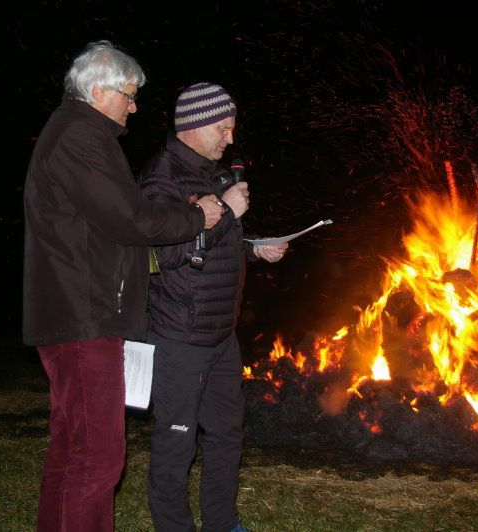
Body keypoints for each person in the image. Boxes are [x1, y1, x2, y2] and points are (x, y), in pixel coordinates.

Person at [23, 42, 226, 531]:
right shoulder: (81, 136)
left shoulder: (72, 132)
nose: (134, 107)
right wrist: (198, 215)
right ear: (99, 91)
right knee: (98, 458)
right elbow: (130, 218)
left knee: (72, 449)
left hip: (75, 312)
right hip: (84, 315)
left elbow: (106, 227)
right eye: (130, 96)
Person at [139, 82, 287, 532]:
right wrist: (225, 211)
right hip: (179, 335)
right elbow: (161, 255)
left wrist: (254, 248)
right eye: (223, 128)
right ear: (195, 124)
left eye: (232, 128)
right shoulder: (160, 177)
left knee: (226, 436)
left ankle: (221, 524)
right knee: (176, 443)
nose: (230, 138)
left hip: (222, 335)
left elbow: (218, 242)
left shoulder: (212, 171)